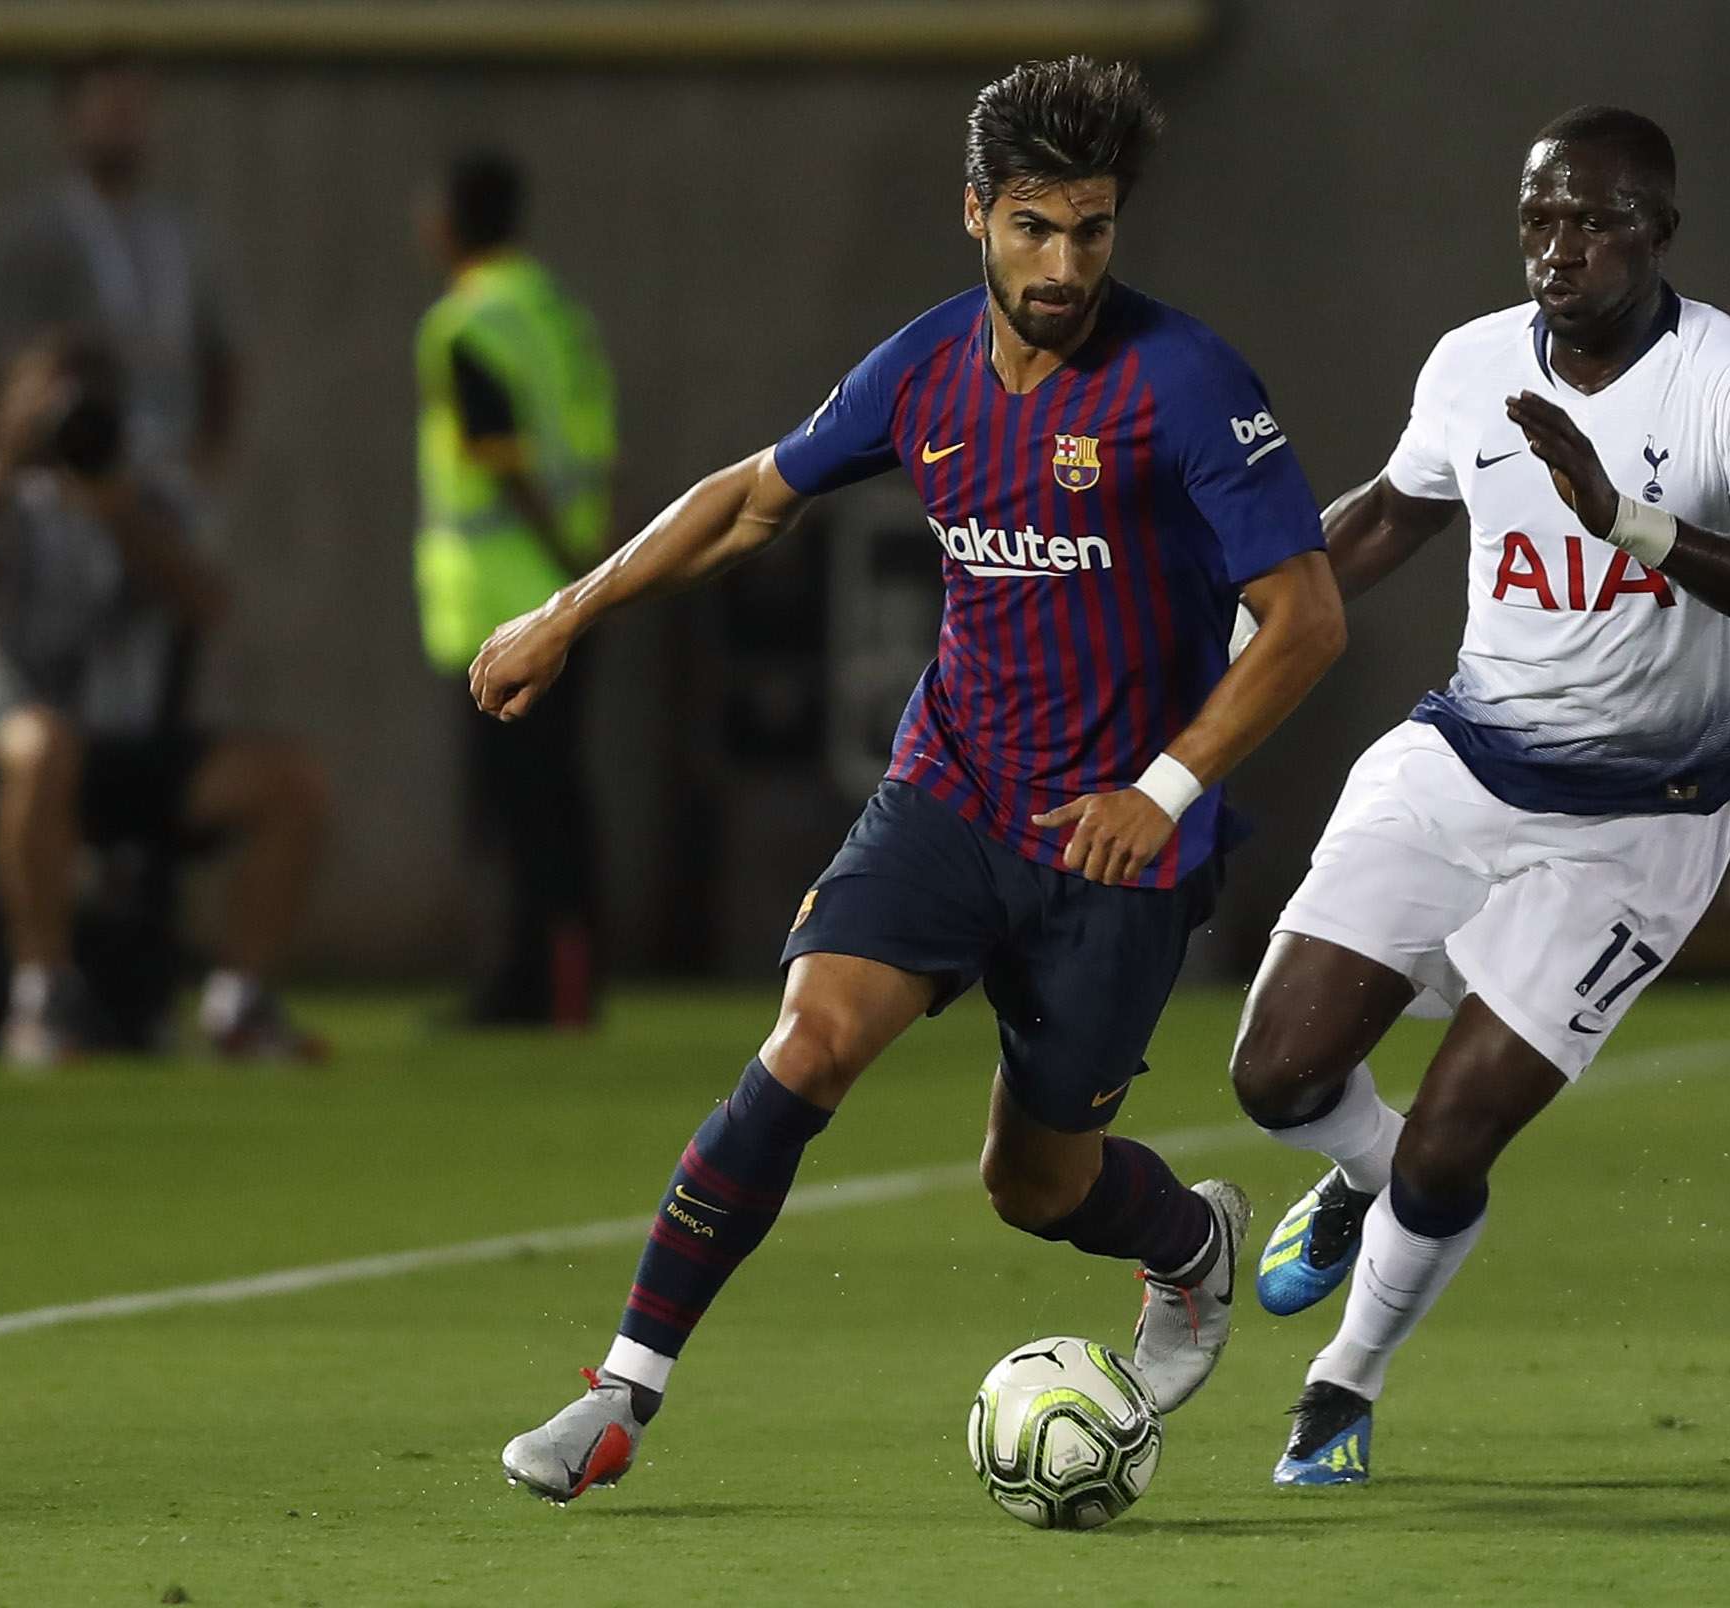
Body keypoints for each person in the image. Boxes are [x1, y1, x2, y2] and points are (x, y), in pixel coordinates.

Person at [481, 56, 1344, 1501]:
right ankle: (622, 1393)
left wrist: (1166, 791)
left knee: (1035, 1185)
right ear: (975, 216)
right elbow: (754, 499)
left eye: (1092, 229)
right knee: (807, 1044)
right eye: (1033, 228)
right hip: (949, 794)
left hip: (1113, 845)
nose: (1064, 264)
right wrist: (567, 610)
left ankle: (1186, 1247)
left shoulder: (1184, 382)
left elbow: (1307, 616)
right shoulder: (927, 369)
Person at [1227, 106, 1730, 1485]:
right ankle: (1356, 1178)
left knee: (1455, 1143)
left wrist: (1624, 516)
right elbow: (1391, 515)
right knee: (1274, 1076)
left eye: (1590, 220)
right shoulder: (1470, 363)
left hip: (1644, 820)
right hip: (1463, 761)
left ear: (1658, 232)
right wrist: (1243, 603)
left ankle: (1346, 1380)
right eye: (1537, 218)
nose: (1555, 248)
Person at [0, 332, 328, 1066]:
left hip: (120, 741)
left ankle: (238, 1003)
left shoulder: (143, 483)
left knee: (290, 784)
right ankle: (42, 996)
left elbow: (209, 602)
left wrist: (118, 514)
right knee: (46, 744)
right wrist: (1, 464)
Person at [413, 151, 616, 1027]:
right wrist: (590, 569)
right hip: (575, 580)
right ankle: (571, 977)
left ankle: (526, 985)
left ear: (452, 219)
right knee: (557, 795)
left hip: (512, 602)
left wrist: (562, 579)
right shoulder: (558, 313)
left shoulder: (468, 323)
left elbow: (499, 460)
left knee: (517, 807)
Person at [0, 52, 238, 485]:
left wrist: (207, 465)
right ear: (70, 113)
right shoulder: (33, 238)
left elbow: (224, 360)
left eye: (133, 104)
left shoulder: (184, 237)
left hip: (167, 475)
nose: (122, 119)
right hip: (67, 481)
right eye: (107, 104)